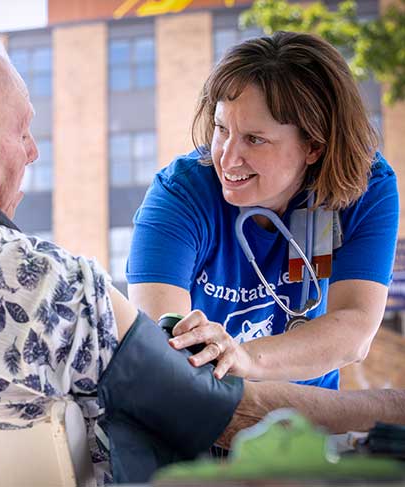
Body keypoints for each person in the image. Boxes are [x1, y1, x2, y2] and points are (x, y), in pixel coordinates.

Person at [0, 36, 404, 485]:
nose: (34, 153)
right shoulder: (60, 285)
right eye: (24, 132)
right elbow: (220, 407)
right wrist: (385, 406)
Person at [127, 31, 398, 390]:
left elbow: (355, 329)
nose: (226, 157)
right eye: (223, 129)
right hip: (203, 412)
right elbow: (165, 342)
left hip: (307, 417)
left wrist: (242, 356)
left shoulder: (366, 186)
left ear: (314, 146)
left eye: (255, 139)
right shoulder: (180, 195)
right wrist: (223, 361)